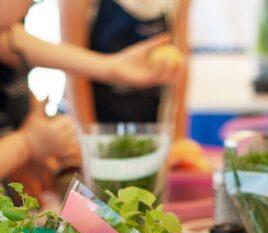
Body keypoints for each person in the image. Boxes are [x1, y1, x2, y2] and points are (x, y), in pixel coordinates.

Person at [0, 0, 183, 186]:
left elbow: (13, 39)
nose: (31, 1)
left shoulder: (8, 33)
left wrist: (113, 67)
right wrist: (27, 143)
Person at [60, 0, 190, 137]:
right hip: (93, 119)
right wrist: (88, 141)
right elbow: (74, 72)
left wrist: (178, 138)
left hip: (150, 122)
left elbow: (180, 65)